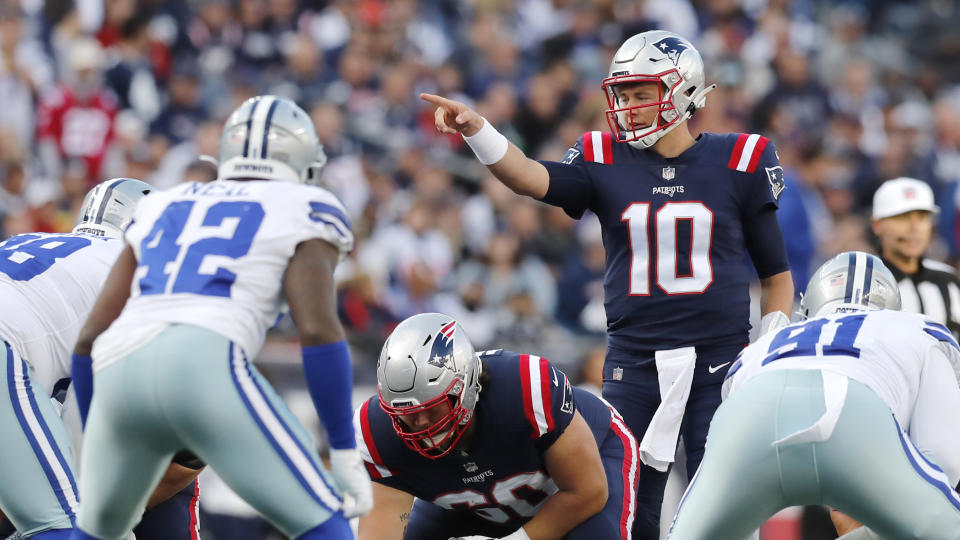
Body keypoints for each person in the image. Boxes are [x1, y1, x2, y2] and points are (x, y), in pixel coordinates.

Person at [421, 29, 794, 537]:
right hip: (634, 364)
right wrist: (478, 129)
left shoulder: (739, 159)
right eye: (622, 94)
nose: (629, 106)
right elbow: (531, 177)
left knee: (724, 505)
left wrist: (765, 354)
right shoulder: (604, 157)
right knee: (628, 507)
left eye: (643, 93)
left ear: (684, 91)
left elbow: (777, 277)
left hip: (720, 361)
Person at [67, 95, 372, 540]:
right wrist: (343, 450)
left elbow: (90, 338)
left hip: (119, 367)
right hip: (204, 359)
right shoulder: (306, 205)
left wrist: (101, 431)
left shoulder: (163, 203)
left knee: (93, 534)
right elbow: (318, 330)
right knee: (324, 523)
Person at [667, 251, 960, 539]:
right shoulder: (916, 328)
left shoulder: (763, 346)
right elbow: (945, 461)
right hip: (849, 409)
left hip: (748, 410)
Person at [0, 178, 205, 540]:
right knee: (67, 525)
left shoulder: (35, 246)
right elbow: (191, 451)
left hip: (15, 346)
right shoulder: (145, 273)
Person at [355, 312, 639, 540]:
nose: (419, 423)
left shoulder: (523, 390)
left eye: (431, 407)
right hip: (477, 504)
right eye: (406, 412)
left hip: (584, 472)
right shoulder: (380, 432)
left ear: (464, 387)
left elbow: (587, 492)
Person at [872, 176, 960, 338]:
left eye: (922, 217)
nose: (914, 228)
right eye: (902, 217)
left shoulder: (947, 279)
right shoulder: (861, 282)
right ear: (877, 225)